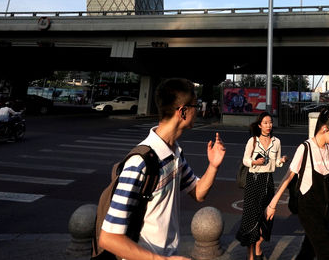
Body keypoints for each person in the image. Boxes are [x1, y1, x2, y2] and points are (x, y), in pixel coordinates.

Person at [99, 78, 226, 260]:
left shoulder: (174, 153)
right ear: (183, 111)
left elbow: (198, 193)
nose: (198, 111)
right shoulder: (140, 162)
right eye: (195, 106)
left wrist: (213, 165)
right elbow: (109, 238)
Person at [266, 109, 329, 260]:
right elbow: (289, 175)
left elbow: (327, 173)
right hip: (308, 207)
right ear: (325, 128)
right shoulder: (305, 148)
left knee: (309, 249)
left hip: (323, 206)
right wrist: (273, 204)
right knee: (326, 250)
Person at [236, 112, 288, 260]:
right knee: (251, 220)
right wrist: (254, 162)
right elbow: (245, 160)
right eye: (265, 123)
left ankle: (258, 246)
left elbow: (276, 163)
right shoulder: (252, 141)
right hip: (253, 181)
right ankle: (250, 256)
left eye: (270, 122)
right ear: (259, 125)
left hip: (268, 182)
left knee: (267, 218)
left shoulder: (276, 142)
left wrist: (282, 160)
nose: (268, 125)